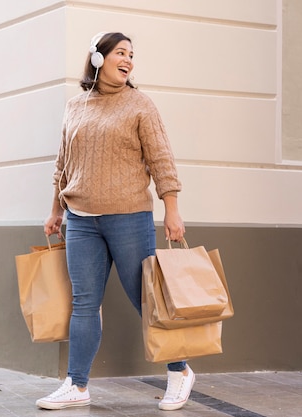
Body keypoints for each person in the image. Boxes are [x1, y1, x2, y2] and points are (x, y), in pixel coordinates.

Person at [37, 32, 194, 411]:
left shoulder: (140, 105)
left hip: (128, 219)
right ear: (97, 59)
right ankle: (77, 385)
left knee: (147, 299)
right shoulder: (75, 105)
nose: (128, 60)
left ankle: (180, 370)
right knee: (84, 302)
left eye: (131, 55)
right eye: (120, 53)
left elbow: (161, 160)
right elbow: (63, 163)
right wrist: (56, 209)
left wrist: (171, 208)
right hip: (80, 220)